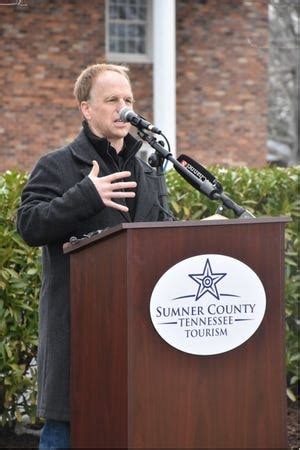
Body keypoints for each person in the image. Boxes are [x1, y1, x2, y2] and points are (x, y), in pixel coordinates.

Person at [17, 63, 170, 449]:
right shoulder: (57, 165)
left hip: (139, 337)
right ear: (86, 109)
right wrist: (86, 195)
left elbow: (165, 235)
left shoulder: (148, 170)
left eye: (128, 99)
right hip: (79, 338)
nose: (124, 108)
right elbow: (30, 225)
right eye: (112, 100)